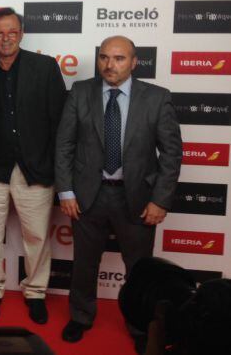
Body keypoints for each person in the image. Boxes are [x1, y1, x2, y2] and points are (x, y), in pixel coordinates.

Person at [55, 35, 182, 351]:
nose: (109, 65)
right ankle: (81, 317)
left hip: (137, 199)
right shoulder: (81, 92)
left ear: (134, 62)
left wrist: (159, 199)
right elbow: (64, 145)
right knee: (84, 263)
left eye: (119, 58)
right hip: (88, 196)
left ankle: (140, 325)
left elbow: (171, 153)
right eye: (104, 58)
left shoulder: (157, 98)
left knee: (139, 269)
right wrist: (66, 192)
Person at [0, 7, 67, 324]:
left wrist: (52, 165)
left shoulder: (45, 67)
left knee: (37, 237)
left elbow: (59, 123)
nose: (5, 38)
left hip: (35, 170)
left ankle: (35, 292)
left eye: (12, 32)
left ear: (22, 34)